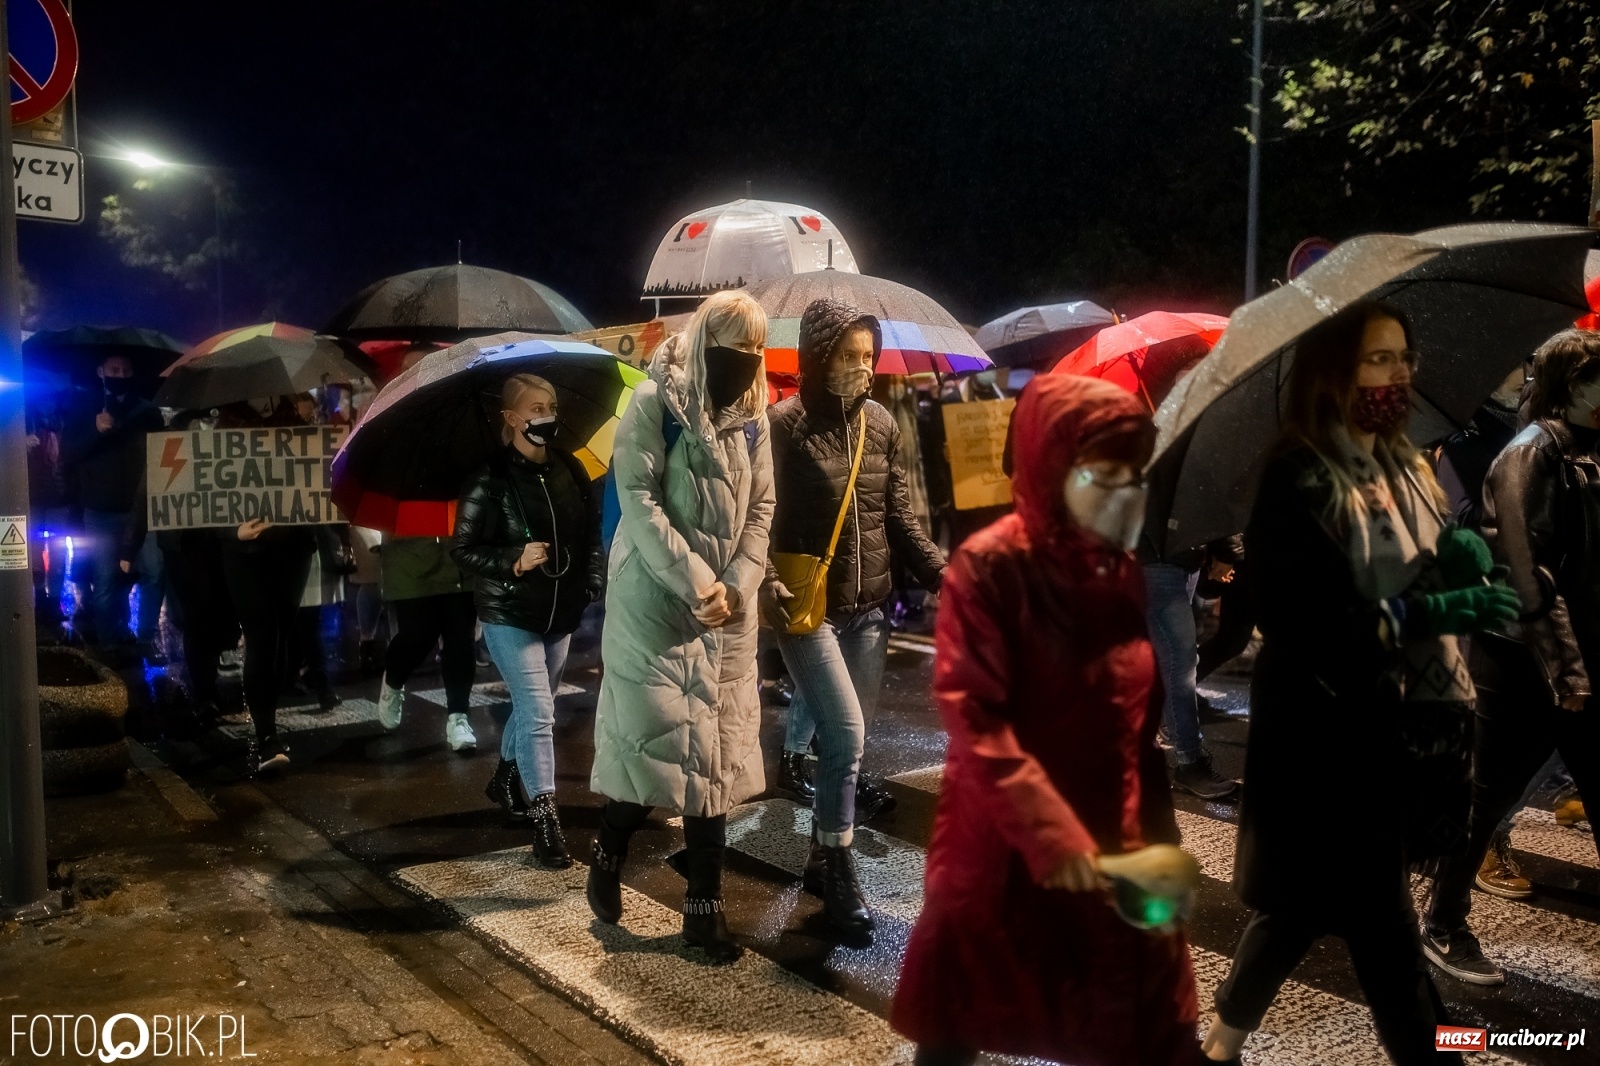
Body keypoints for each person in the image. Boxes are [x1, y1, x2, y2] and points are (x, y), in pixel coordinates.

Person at [1201, 303, 1516, 1066]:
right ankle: (1437, 1052)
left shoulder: (1409, 463)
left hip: (1409, 724)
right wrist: (1442, 603)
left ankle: (1217, 1046)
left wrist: (1461, 553)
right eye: (1377, 359)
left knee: (1299, 908)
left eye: (1403, 356)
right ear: (1333, 372)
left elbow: (1419, 561)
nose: (1398, 373)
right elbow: (1313, 621)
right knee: (1385, 930)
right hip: (1333, 738)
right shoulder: (1298, 473)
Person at [891, 374, 1198, 1066]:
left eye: (1134, 473)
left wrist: (1156, 821)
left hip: (1110, 845)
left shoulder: (1113, 567)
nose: (1124, 489)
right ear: (1054, 465)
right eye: (1105, 471)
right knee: (964, 1015)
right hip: (1004, 848)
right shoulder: (990, 566)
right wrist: (1054, 840)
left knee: (1140, 1026)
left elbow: (1132, 715)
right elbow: (976, 716)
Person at [586, 289, 774, 964]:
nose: (747, 364)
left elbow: (762, 509)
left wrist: (737, 583)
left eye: (757, 351)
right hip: (657, 607)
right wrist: (695, 582)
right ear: (704, 343)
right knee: (657, 753)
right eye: (735, 350)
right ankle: (610, 844)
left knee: (714, 760)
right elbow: (636, 499)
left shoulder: (756, 415)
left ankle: (704, 911)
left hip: (727, 611)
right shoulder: (652, 404)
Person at [761, 297, 945, 937]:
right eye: (846, 356)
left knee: (850, 742)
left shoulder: (883, 424)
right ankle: (838, 867)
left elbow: (898, 518)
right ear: (817, 357)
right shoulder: (782, 425)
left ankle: (820, 850)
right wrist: (761, 580)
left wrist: (944, 575)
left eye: (867, 356)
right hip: (806, 607)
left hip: (868, 611)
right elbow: (756, 517)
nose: (860, 368)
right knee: (842, 733)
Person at [1421, 328, 1600, 986]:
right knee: (1485, 801)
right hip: (1521, 660)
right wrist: (1569, 672)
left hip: (1573, 657)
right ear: (1572, 388)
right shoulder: (1527, 455)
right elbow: (1531, 575)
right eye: (1598, 381)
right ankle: (1442, 923)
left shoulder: (1585, 453)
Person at [452, 373, 605, 865]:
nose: (546, 416)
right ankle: (545, 818)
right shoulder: (488, 480)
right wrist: (513, 560)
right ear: (511, 418)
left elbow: (589, 536)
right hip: (508, 612)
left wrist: (592, 579)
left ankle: (504, 778)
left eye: (552, 406)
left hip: (559, 614)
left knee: (530, 706)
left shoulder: (571, 469)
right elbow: (464, 550)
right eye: (535, 408)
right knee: (539, 712)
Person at [216, 398, 322, 773]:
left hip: (292, 550)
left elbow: (318, 484)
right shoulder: (221, 435)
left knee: (277, 635)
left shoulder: (301, 432)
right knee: (261, 636)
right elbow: (200, 499)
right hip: (245, 553)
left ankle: (268, 717)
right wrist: (232, 530)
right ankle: (266, 738)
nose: (266, 400)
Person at [58, 352, 163, 651]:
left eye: (126, 370)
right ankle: (109, 642)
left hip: (143, 509)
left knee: (154, 573)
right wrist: (95, 430)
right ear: (100, 371)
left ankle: (146, 638)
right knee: (104, 580)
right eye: (114, 369)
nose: (120, 374)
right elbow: (68, 454)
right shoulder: (83, 407)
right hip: (101, 510)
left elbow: (162, 455)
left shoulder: (147, 411)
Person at [375, 535, 480, 754]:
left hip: (460, 550)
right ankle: (394, 679)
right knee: (418, 636)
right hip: (411, 556)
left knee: (460, 637)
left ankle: (458, 715)